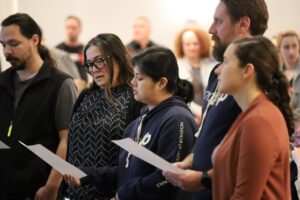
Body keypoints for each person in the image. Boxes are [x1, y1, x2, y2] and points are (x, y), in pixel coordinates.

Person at [163, 0, 269, 199]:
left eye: (218, 21)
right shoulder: (218, 72)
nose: (211, 30)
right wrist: (189, 161)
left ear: (243, 24)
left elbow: (251, 160)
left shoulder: (258, 78)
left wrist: (203, 178)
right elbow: (209, 131)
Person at [64, 47, 197, 200]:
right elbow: (127, 171)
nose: (133, 82)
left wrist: (123, 194)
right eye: (134, 76)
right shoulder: (138, 121)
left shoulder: (176, 119)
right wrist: (86, 175)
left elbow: (168, 178)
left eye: (139, 78)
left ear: (161, 83)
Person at [0, 13, 78, 199]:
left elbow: (66, 141)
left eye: (14, 43)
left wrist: (52, 186)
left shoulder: (60, 84)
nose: (7, 52)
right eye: (3, 45)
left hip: (39, 189)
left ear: (35, 40)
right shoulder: (2, 82)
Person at [212, 36, 292, 199]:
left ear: (247, 70)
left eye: (226, 62)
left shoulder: (259, 120)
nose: (217, 70)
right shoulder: (249, 113)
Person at [66, 33, 142, 199]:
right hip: (75, 193)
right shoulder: (86, 95)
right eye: (89, 64)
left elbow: (136, 160)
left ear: (118, 58)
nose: (93, 69)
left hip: (112, 194)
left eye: (99, 61)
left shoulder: (134, 98)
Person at [174, 27, 217, 125]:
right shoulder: (176, 66)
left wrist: (207, 114)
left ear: (202, 45)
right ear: (182, 46)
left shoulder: (212, 64)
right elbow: (178, 97)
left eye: (195, 43)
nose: (191, 47)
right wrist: (198, 113)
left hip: (211, 115)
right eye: (187, 44)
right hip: (187, 116)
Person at [56, 15, 88, 86]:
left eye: (74, 28)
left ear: (80, 29)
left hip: (84, 88)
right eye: (68, 27)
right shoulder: (57, 50)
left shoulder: (86, 50)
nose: (70, 31)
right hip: (64, 87)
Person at [277, 30, 300, 108]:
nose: (291, 52)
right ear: (279, 48)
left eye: (294, 46)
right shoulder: (275, 74)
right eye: (286, 47)